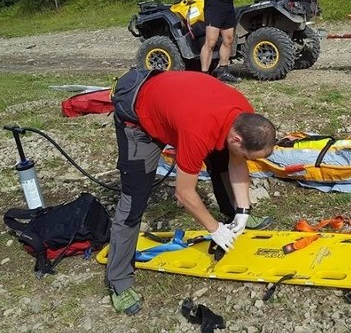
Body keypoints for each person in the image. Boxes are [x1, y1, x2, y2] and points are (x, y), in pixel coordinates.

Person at [106, 69, 277, 315]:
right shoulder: (198, 131)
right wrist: (214, 229)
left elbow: (237, 161)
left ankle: (232, 215)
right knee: (134, 199)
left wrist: (243, 210)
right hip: (139, 118)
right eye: (249, 155)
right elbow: (184, 193)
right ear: (238, 139)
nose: (246, 159)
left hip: (176, 107)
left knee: (222, 157)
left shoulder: (244, 114)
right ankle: (119, 281)